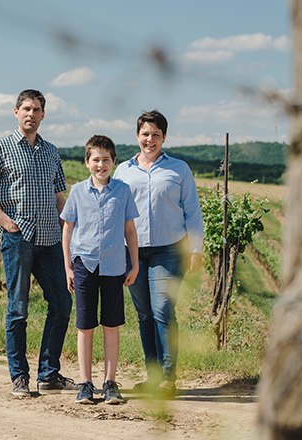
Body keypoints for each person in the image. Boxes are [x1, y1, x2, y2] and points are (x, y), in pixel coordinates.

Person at [0, 89, 77, 397]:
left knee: (62, 304)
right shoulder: (1, 148)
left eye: (37, 109)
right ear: (16, 112)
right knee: (18, 310)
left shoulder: (51, 152)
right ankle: (19, 377)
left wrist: (72, 228)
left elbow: (60, 196)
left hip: (50, 239)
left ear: (43, 115)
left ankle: (49, 374)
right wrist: (7, 224)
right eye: (26, 108)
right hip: (18, 240)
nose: (31, 114)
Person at [112, 110, 204, 399]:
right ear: (137, 136)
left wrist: (196, 249)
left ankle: (168, 377)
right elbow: (114, 213)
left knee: (163, 309)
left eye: (155, 134)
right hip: (133, 252)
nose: (149, 139)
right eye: (145, 133)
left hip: (168, 250)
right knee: (144, 315)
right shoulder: (123, 170)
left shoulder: (179, 169)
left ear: (164, 137)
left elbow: (192, 211)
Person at [60, 135, 139, 405]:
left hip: (114, 265)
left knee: (111, 324)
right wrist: (68, 266)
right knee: (85, 325)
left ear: (113, 162)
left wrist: (135, 263)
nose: (101, 165)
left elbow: (130, 229)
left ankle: (110, 382)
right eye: (96, 159)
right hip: (84, 265)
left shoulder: (123, 191)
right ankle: (84, 382)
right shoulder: (78, 191)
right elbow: (68, 229)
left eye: (106, 160)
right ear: (87, 162)